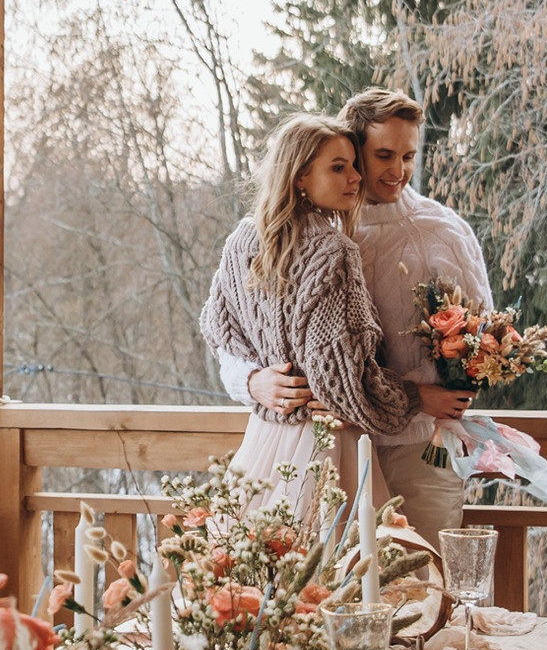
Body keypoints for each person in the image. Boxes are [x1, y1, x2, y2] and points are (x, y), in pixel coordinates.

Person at [214, 88, 489, 539]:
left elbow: (483, 341)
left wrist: (449, 393)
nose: (398, 170)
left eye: (409, 155)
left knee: (420, 587)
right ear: (352, 150)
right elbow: (229, 339)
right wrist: (251, 381)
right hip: (324, 443)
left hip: (418, 447)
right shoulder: (311, 235)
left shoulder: (444, 233)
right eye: (383, 155)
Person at [199, 115, 423, 518]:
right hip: (326, 447)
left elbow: (222, 337)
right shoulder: (334, 254)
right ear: (300, 176)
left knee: (256, 570)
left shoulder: (243, 241)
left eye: (355, 165)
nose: (356, 177)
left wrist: (254, 382)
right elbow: (348, 385)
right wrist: (417, 397)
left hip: (265, 440)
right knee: (346, 569)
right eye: (338, 167)